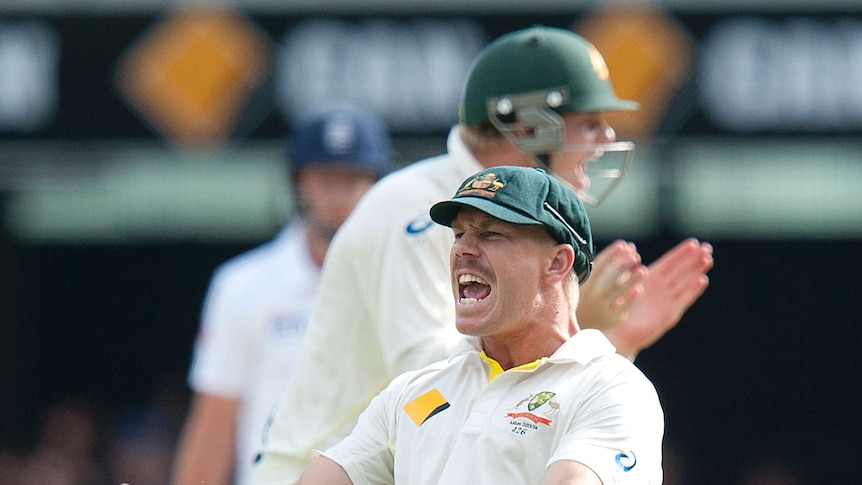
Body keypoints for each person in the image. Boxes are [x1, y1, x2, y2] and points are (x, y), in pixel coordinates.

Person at [251, 25, 712, 484]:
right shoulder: (409, 210)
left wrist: (599, 338)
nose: (604, 137)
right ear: (527, 126)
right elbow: (440, 393)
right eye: (588, 122)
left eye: (492, 233)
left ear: (560, 262)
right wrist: (585, 328)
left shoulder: (528, 228)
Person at [295, 165, 665, 485]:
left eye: (491, 234)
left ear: (556, 263)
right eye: (458, 235)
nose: (462, 250)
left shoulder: (611, 388)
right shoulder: (413, 391)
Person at [171, 105, 393, 485]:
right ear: (297, 183)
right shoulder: (242, 285)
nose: (339, 195)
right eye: (324, 177)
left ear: (378, 184)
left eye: (353, 178)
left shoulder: (411, 276)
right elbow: (214, 424)